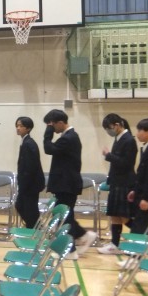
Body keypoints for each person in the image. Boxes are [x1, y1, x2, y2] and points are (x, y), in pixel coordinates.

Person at [43, 109, 97, 259]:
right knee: (65, 216)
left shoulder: (69, 138)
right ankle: (83, 235)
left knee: (65, 217)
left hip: (66, 184)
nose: (51, 128)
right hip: (65, 183)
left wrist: (47, 133)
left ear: (60, 123)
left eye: (52, 125)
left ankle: (70, 250)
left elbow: (48, 149)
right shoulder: (68, 136)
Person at [97, 113, 137, 254]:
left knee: (124, 217)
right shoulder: (119, 139)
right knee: (114, 214)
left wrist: (109, 155)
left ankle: (143, 236)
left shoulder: (129, 140)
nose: (109, 131)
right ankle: (114, 244)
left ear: (117, 125)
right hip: (116, 182)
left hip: (124, 183)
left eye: (109, 128)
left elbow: (126, 163)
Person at [15, 116, 46, 229]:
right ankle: (35, 227)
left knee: (28, 209)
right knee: (22, 206)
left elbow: (30, 167)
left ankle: (35, 229)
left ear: (28, 128)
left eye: (21, 126)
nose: (18, 128)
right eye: (17, 125)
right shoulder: (25, 142)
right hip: (28, 183)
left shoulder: (29, 143)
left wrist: (24, 184)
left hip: (31, 184)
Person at [128, 118, 148, 235]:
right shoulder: (147, 148)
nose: (137, 134)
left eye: (140, 130)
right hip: (141, 194)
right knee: (140, 227)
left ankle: (137, 247)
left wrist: (146, 199)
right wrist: (135, 190)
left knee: (140, 229)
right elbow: (142, 175)